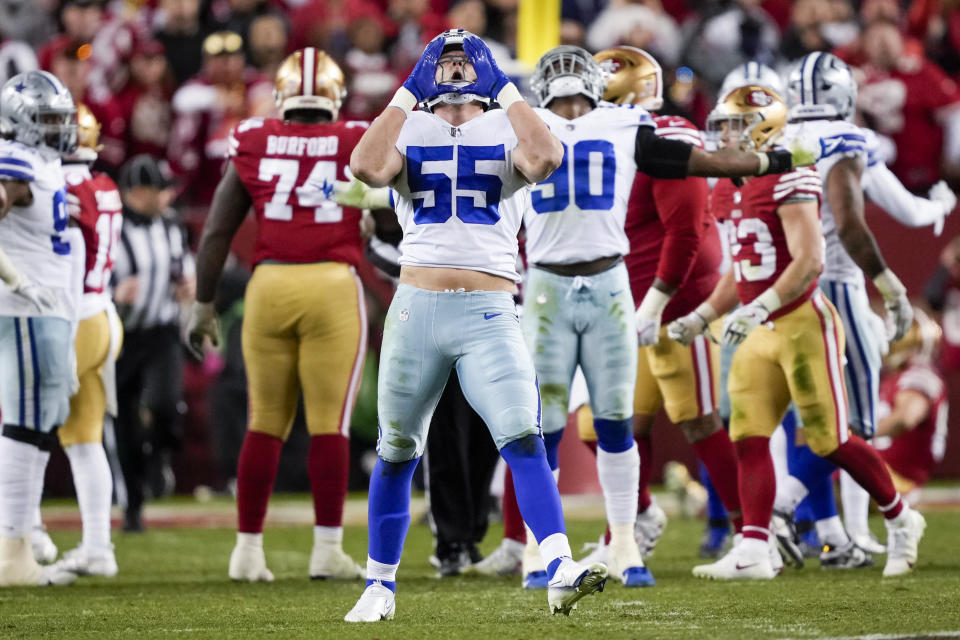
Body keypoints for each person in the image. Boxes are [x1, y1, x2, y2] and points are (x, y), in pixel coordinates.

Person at [506, 43, 818, 591]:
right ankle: (583, 539)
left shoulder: (622, 128)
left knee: (638, 422)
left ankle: (732, 534)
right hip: (580, 289)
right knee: (573, 424)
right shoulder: (547, 128)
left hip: (633, 293)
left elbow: (690, 206)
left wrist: (776, 162)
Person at [341, 28, 606, 621]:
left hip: (490, 310)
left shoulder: (512, 120)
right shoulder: (408, 122)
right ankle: (378, 585)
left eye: (467, 61)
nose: (456, 71)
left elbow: (545, 158)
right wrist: (409, 89)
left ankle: (559, 565)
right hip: (416, 307)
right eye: (447, 61)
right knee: (396, 449)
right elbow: (364, 166)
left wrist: (504, 87)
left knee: (522, 434)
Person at [668, 85, 926, 580]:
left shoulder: (789, 174)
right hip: (757, 327)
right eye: (721, 124)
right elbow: (740, 270)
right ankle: (754, 549)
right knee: (748, 436)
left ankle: (901, 518)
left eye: (734, 124)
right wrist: (703, 316)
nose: (724, 134)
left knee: (830, 439)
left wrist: (760, 303)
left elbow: (810, 261)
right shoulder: (727, 186)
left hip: (803, 324)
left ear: (764, 126)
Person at [186, 48, 368, 583]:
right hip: (331, 284)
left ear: (283, 95)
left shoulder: (255, 138)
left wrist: (203, 304)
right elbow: (395, 213)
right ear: (333, 95)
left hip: (269, 286)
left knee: (264, 422)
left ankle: (246, 551)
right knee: (328, 426)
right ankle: (327, 549)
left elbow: (218, 231)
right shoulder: (355, 137)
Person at [0, 70, 79, 587]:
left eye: (60, 120)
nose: (58, 130)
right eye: (47, 120)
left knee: (39, 423)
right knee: (27, 424)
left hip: (47, 309)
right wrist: (15, 277)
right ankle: (12, 554)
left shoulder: (44, 161)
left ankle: (19, 542)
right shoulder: (17, 161)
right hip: (25, 309)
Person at [45, 104, 123, 577]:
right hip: (102, 316)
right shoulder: (104, 185)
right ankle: (98, 547)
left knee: (24, 430)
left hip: (71, 319)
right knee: (83, 437)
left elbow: (70, 254)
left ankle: (21, 538)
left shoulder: (62, 188)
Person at [111, 153, 194, 532]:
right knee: (124, 421)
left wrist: (188, 287)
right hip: (119, 335)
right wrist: (113, 292)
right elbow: (83, 271)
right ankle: (133, 505)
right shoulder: (109, 227)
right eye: (161, 190)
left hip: (161, 331)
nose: (168, 196)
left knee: (164, 404)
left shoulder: (172, 226)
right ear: (139, 192)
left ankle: (159, 455)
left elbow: (184, 269)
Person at [874, 309, 949, 501]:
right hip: (882, 471)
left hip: (894, 479)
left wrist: (851, 435)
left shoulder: (918, 375)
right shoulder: (896, 376)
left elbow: (904, 420)